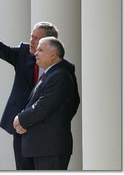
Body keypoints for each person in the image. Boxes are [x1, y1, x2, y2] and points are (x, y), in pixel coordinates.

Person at [0, 19, 72, 170]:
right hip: (20, 128)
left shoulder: (62, 70)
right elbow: (0, 48)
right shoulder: (23, 54)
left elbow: (71, 103)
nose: (32, 41)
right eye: (32, 36)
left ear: (49, 43)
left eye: (37, 38)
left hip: (46, 132)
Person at [13, 37, 80, 170]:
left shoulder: (60, 75)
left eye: (40, 50)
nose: (35, 53)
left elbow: (43, 106)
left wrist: (20, 119)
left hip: (50, 148)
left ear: (53, 55)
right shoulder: (50, 74)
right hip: (42, 147)